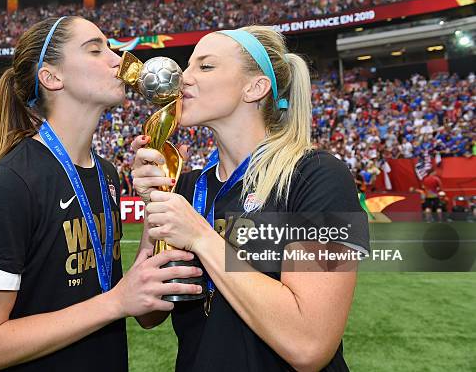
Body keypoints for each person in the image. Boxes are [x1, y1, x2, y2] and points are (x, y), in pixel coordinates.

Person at [0, 16, 202, 372]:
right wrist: (116, 302)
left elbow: (147, 316)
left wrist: (155, 212)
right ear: (52, 77)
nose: (119, 59)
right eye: (95, 49)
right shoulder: (9, 183)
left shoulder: (106, 174)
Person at [131, 26, 370, 371]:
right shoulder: (186, 187)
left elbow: (309, 345)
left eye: (206, 66)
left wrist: (201, 237)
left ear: (255, 87)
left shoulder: (319, 176)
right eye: (188, 66)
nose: (184, 78)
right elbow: (148, 313)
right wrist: (155, 199)